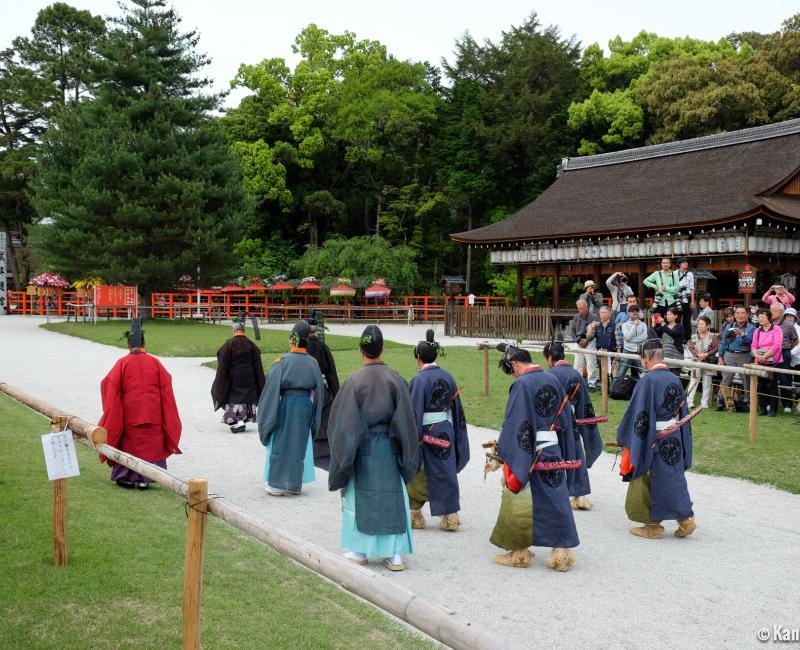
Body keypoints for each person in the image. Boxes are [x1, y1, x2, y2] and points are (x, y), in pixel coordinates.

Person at [327, 325, 418, 571]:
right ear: (382, 349)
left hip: (364, 446)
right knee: (392, 498)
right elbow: (407, 423)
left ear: (360, 351)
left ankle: (359, 550)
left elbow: (343, 425)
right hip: (389, 448)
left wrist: (344, 457)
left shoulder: (354, 381)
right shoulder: (397, 379)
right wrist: (406, 456)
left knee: (360, 497)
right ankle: (394, 554)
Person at [487, 343, 579, 571]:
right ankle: (561, 553)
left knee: (520, 498)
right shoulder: (553, 379)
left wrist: (505, 454)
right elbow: (566, 419)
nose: (512, 375)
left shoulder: (521, 384)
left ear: (516, 365)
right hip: (553, 448)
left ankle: (519, 552)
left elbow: (515, 423)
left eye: (511, 370)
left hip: (529, 451)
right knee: (557, 499)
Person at [615, 339, 696, 539]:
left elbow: (638, 414)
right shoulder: (675, 379)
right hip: (674, 436)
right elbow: (682, 410)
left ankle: (653, 526)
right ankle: (686, 520)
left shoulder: (647, 381)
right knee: (674, 477)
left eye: (642, 358)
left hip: (654, 439)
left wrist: (628, 437)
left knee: (650, 479)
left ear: (647, 357)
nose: (642, 362)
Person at [98, 319, 182, 489]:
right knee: (151, 445)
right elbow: (166, 386)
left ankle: (126, 477)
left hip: (131, 413)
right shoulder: (155, 363)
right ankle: (145, 479)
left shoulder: (122, 363)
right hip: (153, 412)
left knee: (130, 444)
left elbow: (108, 385)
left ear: (128, 344)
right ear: (144, 343)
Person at [406, 330, 469, 532]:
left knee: (418, 473)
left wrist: (410, 439)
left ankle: (415, 514)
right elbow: (456, 408)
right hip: (444, 430)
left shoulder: (419, 380)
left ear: (418, 358)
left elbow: (414, 411)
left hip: (424, 432)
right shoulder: (448, 377)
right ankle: (450, 516)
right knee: (446, 471)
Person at [257, 321, 324, 496]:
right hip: (305, 406)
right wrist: (314, 418)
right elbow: (319, 392)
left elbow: (270, 392)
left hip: (286, 405)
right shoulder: (313, 363)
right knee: (299, 444)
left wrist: (267, 419)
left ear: (293, 339)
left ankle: (277, 485)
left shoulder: (282, 362)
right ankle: (295, 484)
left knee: (281, 443)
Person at [544, 340, 603, 511]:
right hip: (572, 418)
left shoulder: (550, 375)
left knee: (552, 454)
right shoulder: (576, 374)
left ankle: (553, 492)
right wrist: (586, 423)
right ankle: (580, 495)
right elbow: (584, 404)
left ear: (549, 358)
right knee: (576, 454)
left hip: (554, 421)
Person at [211, 316, 265, 433]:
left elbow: (222, 365)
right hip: (249, 379)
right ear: (244, 330)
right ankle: (241, 421)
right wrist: (261, 384)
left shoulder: (228, 345)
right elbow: (258, 367)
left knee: (234, 399)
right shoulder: (252, 346)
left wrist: (220, 381)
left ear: (233, 330)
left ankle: (239, 422)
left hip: (234, 379)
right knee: (246, 399)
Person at [306, 314, 340, 469]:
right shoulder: (322, 347)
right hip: (322, 389)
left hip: (305, 389)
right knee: (324, 417)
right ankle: (322, 451)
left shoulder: (302, 347)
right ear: (316, 331)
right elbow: (331, 373)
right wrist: (336, 392)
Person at [717, 306, 755, 412]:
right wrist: (720, 356)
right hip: (729, 355)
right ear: (734, 315)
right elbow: (723, 342)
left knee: (746, 380)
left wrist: (742, 334)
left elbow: (750, 341)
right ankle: (721, 402)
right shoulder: (729, 326)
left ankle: (748, 404)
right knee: (726, 379)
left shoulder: (752, 328)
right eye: (737, 313)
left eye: (743, 313)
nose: (740, 315)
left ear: (747, 315)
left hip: (745, 355)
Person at [752, 308, 782, 417]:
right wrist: (757, 355)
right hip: (759, 360)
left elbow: (777, 345)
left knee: (772, 386)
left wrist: (765, 355)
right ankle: (763, 408)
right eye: (759, 317)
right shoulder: (757, 331)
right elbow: (754, 345)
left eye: (763, 317)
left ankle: (773, 410)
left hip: (774, 361)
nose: (760, 319)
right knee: (761, 386)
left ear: (769, 318)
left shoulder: (777, 329)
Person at [770, 302, 799, 414]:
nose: (772, 312)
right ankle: (771, 403)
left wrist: (787, 349)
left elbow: (795, 340)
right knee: (771, 378)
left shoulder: (788, 325)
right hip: (770, 353)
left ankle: (787, 404)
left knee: (785, 378)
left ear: (781, 312)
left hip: (784, 353)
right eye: (771, 310)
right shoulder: (768, 323)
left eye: (774, 310)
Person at [687, 316, 719, 409]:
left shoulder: (713, 337)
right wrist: (698, 355)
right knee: (693, 381)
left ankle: (704, 403)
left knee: (707, 382)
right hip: (695, 362)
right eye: (699, 324)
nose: (699, 326)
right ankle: (690, 401)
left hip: (708, 362)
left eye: (702, 324)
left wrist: (706, 354)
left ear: (707, 326)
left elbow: (716, 348)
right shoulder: (694, 336)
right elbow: (690, 347)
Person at [614, 303, 648, 389]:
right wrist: (634, 326)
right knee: (620, 372)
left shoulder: (643, 325)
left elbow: (644, 338)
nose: (635, 313)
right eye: (633, 312)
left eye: (637, 311)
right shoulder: (625, 325)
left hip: (639, 351)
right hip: (627, 351)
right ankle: (613, 390)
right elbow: (628, 337)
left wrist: (629, 339)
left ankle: (646, 389)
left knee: (643, 372)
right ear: (629, 313)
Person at [570, 299, 599, 390]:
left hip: (590, 342)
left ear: (587, 307)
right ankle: (578, 383)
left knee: (591, 364)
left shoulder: (593, 316)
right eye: (579, 308)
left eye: (582, 308)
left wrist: (587, 340)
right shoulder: (576, 317)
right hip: (578, 342)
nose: (580, 310)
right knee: (578, 364)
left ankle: (591, 384)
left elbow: (595, 331)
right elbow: (573, 330)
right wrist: (577, 340)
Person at [652, 307, 684, 376]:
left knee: (674, 379)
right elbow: (655, 334)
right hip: (665, 358)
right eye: (667, 314)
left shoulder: (679, 326)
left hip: (676, 358)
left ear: (675, 316)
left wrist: (663, 323)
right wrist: (653, 324)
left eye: (670, 314)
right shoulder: (665, 326)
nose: (668, 316)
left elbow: (671, 333)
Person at [676, 258, 695, 342]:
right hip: (677, 297)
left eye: (686, 262)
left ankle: (687, 336)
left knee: (687, 318)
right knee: (677, 317)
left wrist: (693, 301)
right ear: (679, 264)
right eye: (683, 262)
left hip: (687, 297)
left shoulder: (690, 274)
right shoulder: (674, 273)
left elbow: (692, 288)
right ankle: (678, 335)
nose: (685, 264)